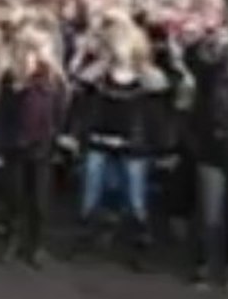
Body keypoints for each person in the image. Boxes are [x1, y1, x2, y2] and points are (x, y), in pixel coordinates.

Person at [68, 18, 169, 271]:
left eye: (123, 42)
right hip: (99, 139)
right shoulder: (101, 73)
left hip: (134, 143)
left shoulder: (147, 75)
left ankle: (139, 246)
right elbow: (80, 81)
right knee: (90, 191)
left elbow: (161, 87)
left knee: (135, 197)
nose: (118, 47)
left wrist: (137, 64)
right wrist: (103, 61)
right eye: (114, 42)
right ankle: (85, 239)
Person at [0, 29, 69, 268]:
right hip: (15, 144)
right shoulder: (11, 79)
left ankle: (36, 245)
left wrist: (57, 139)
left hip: (42, 146)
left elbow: (59, 111)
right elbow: (2, 114)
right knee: (14, 194)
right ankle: (12, 239)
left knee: (39, 198)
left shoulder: (54, 80)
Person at [185, 24, 228, 290]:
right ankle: (203, 264)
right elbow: (194, 59)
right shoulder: (213, 70)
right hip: (213, 147)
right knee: (209, 212)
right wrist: (209, 41)